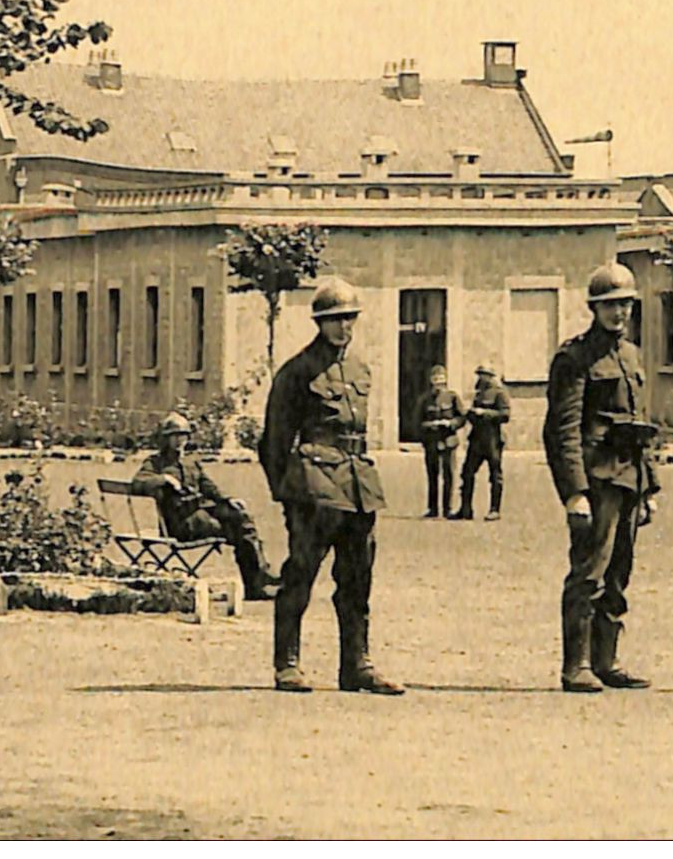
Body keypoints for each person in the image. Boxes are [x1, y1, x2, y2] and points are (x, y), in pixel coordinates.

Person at [259, 277, 404, 695]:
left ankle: (356, 665)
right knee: (301, 573)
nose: (344, 327)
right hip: (312, 488)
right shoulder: (297, 372)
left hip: (358, 486)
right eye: (334, 320)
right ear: (318, 323)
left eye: (349, 318)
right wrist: (288, 493)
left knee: (358, 578)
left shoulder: (361, 368)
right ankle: (287, 663)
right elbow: (274, 441)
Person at [543, 262, 662, 693]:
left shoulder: (632, 356)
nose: (619, 313)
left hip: (630, 477)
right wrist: (574, 492)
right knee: (589, 572)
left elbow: (641, 423)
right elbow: (562, 430)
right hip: (597, 480)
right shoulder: (574, 358)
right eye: (610, 305)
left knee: (619, 572)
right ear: (594, 308)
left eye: (626, 305)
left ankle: (606, 661)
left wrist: (649, 488)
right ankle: (575, 667)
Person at [131, 411, 280, 600]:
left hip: (201, 511)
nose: (179, 441)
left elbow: (208, 486)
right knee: (238, 532)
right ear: (165, 439)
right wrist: (164, 479)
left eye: (183, 435)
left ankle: (259, 577)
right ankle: (256, 582)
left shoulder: (190, 461)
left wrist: (228, 499)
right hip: (181, 523)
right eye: (174, 436)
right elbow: (137, 483)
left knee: (241, 517)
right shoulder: (155, 463)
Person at [454, 363, 510, 520]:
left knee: (495, 475)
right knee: (467, 473)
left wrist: (484, 413)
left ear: (490, 376)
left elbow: (505, 415)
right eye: (480, 374)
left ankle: (494, 509)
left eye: (484, 374)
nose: (481, 377)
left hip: (492, 439)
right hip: (477, 439)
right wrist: (471, 414)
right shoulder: (479, 393)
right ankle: (465, 509)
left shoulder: (500, 393)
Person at [413, 364, 466, 519]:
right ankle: (433, 508)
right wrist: (429, 426)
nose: (438, 384)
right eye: (435, 380)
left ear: (445, 380)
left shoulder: (453, 397)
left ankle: (447, 508)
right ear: (431, 381)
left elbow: (462, 417)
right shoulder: (424, 400)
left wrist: (450, 424)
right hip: (431, 442)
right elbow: (416, 422)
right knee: (432, 475)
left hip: (448, 441)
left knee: (449, 475)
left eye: (441, 380)